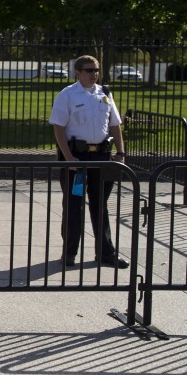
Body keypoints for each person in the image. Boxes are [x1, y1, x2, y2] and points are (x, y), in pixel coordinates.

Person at [49, 55, 129, 269]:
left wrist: (120, 152)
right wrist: (68, 158)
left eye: (96, 70)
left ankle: (105, 253)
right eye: (89, 70)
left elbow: (114, 125)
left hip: (102, 157)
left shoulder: (105, 94)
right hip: (77, 157)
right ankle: (69, 253)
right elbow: (58, 127)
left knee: (100, 204)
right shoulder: (68, 95)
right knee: (74, 204)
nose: (94, 74)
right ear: (78, 72)